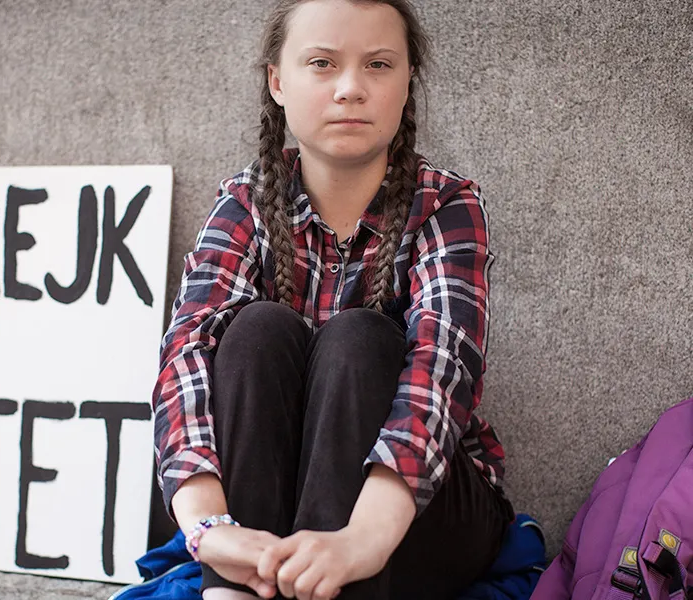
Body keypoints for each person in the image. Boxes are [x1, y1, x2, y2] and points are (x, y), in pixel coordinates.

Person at [151, 0, 515, 598]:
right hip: (270, 516)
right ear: (277, 81)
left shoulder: (447, 206)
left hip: (411, 519)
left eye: (378, 65)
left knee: (358, 336)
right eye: (322, 63)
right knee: (256, 330)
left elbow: (442, 369)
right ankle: (234, 588)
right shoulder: (245, 202)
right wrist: (208, 529)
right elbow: (185, 358)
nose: (350, 88)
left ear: (407, 82)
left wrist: (359, 540)